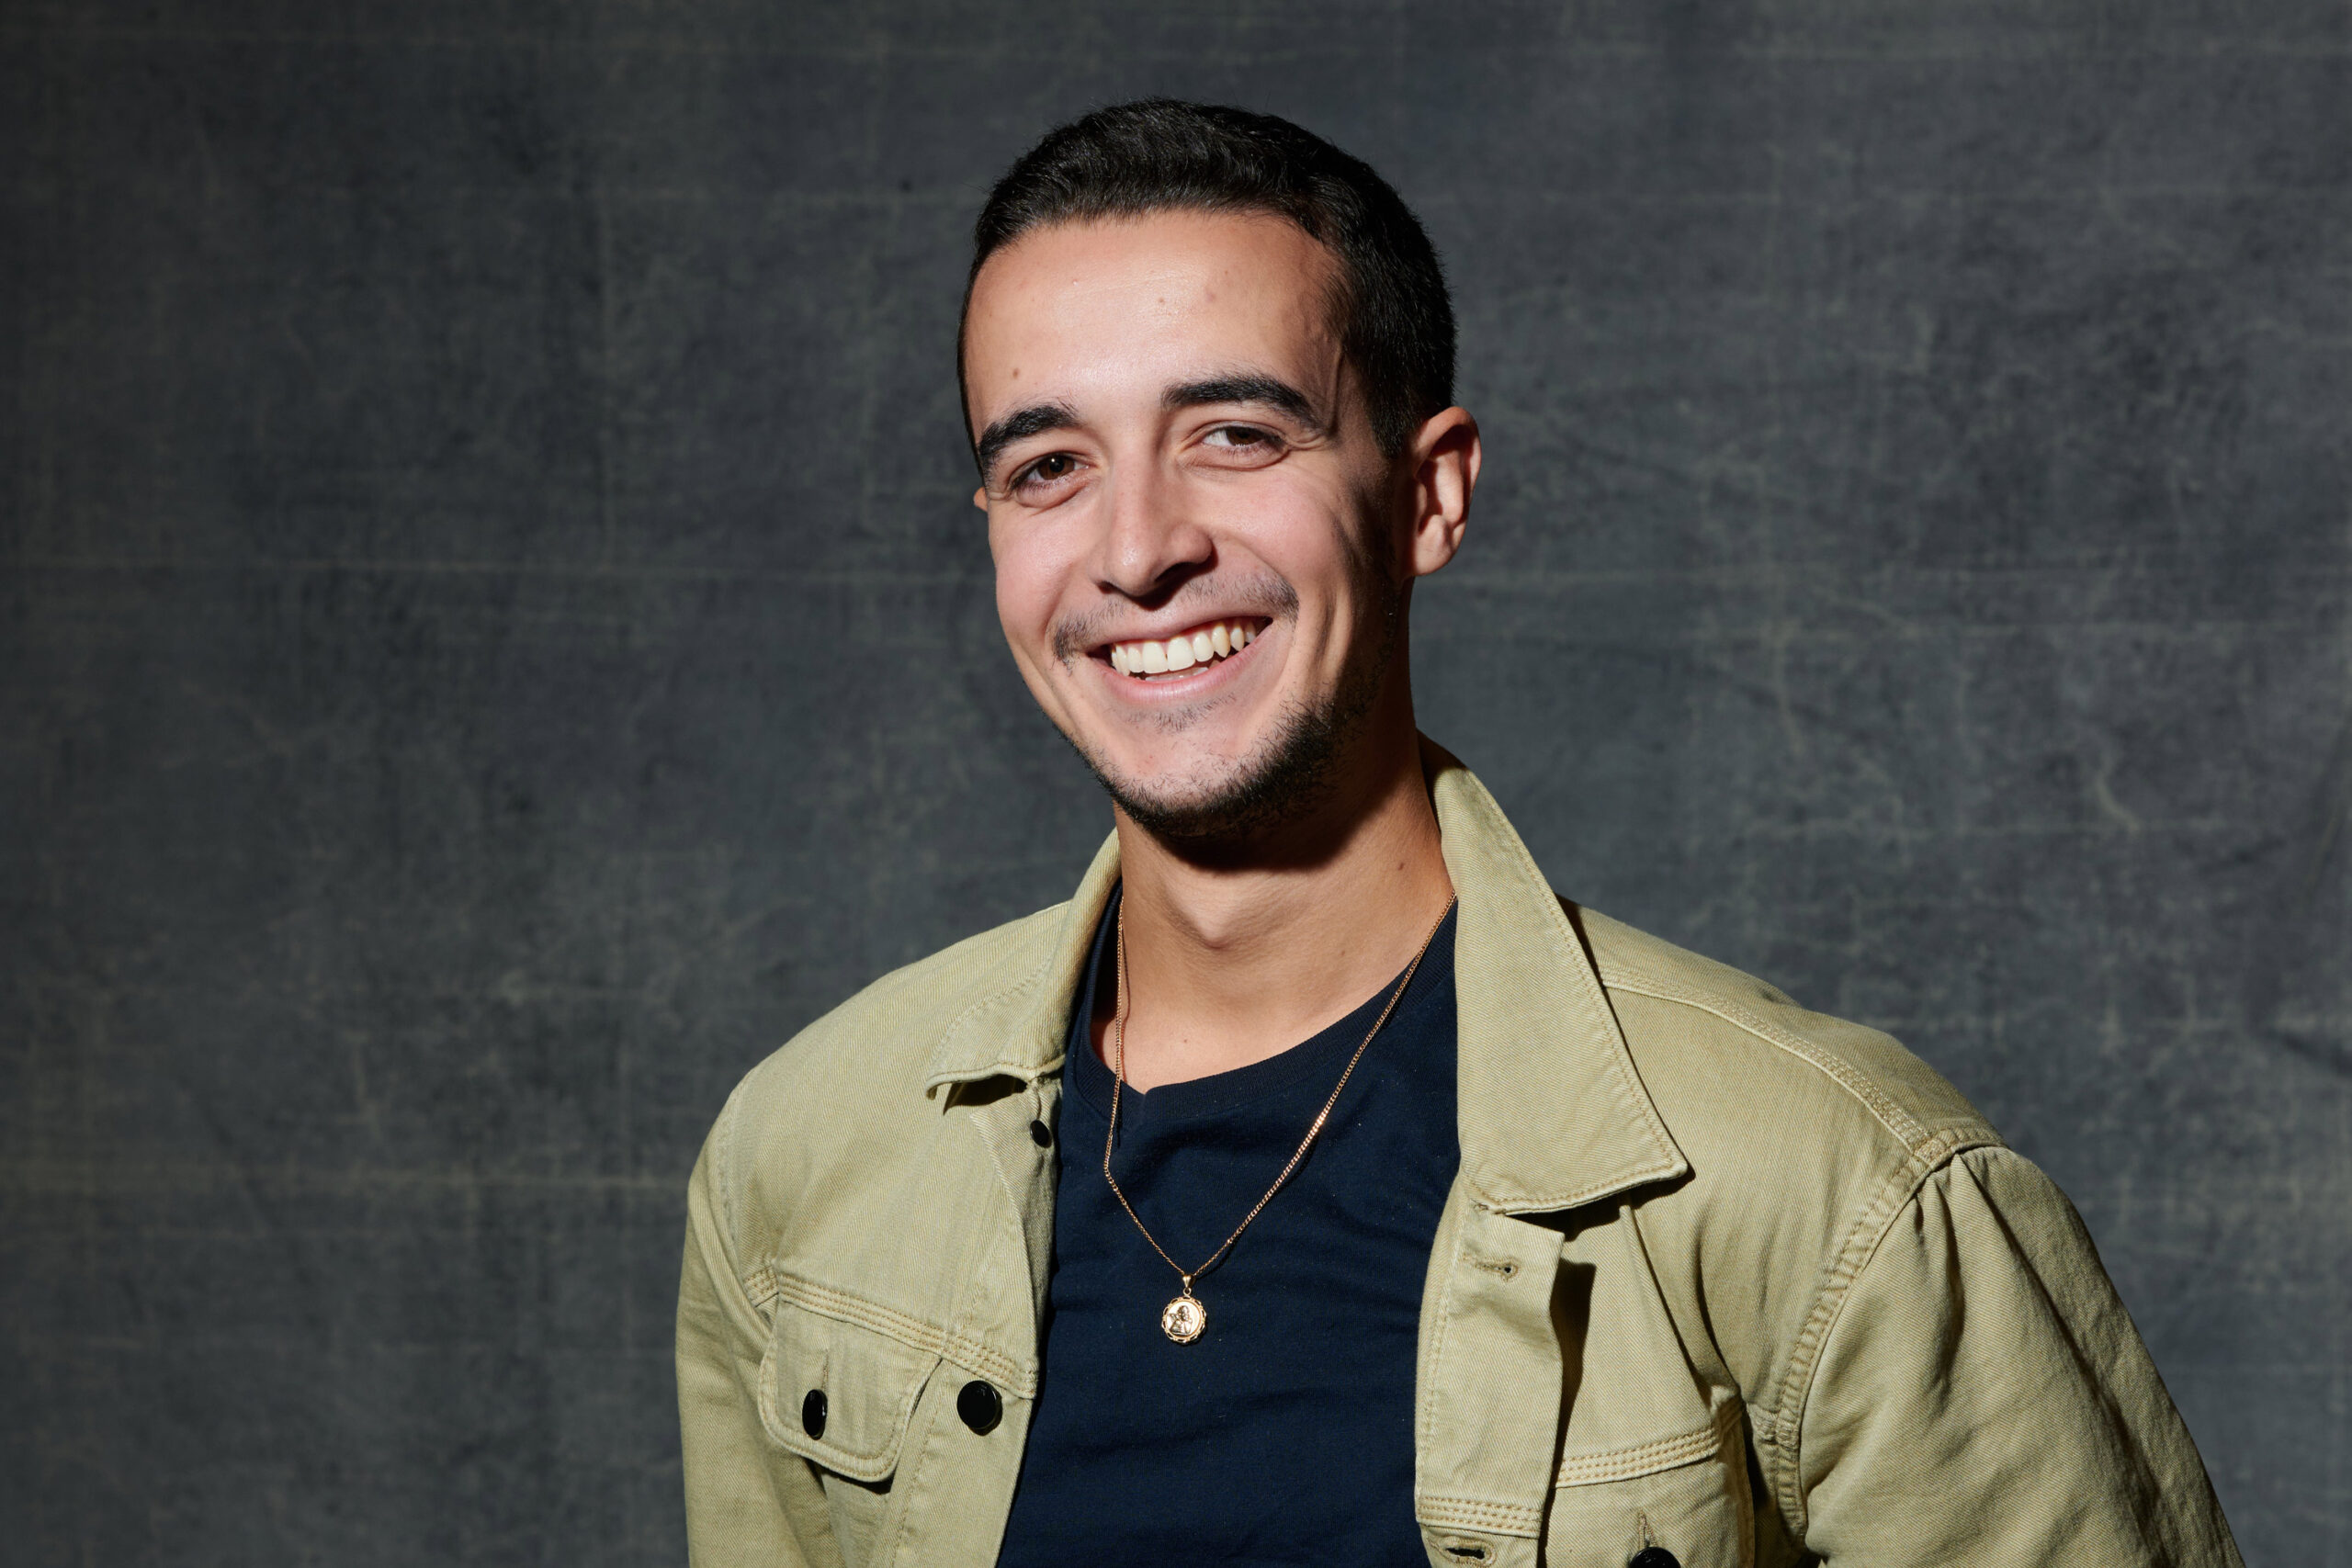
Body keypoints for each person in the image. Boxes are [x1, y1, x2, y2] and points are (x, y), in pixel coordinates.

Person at [675, 99, 2241, 1568]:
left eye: (1235, 434)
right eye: (1047, 467)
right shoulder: (805, 1159)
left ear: (1428, 495)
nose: (1138, 548)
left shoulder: (1833, 1192)